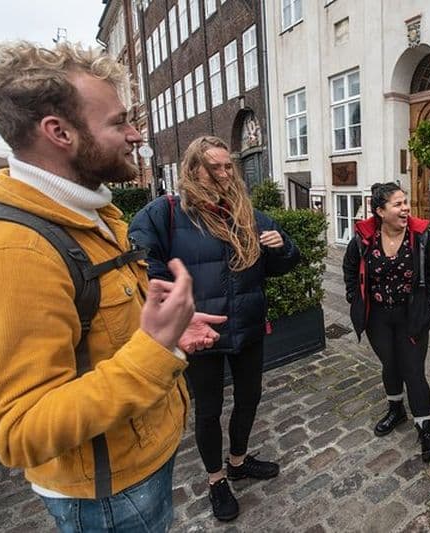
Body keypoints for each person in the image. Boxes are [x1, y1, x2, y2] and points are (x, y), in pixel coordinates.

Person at [0, 41, 222, 532]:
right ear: (59, 132)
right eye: (117, 122)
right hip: (106, 496)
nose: (135, 135)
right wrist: (156, 347)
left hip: (137, 463)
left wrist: (166, 331)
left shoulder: (89, 212)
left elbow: (93, 339)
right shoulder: (13, 250)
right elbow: (18, 430)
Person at [129, 136, 300, 522]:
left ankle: (238, 461)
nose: (224, 174)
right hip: (200, 333)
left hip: (248, 325)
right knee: (208, 410)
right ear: (193, 169)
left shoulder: (245, 213)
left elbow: (281, 265)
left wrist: (282, 245)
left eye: (228, 167)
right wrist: (177, 311)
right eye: (215, 167)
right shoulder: (167, 212)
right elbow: (141, 262)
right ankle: (216, 479)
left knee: (249, 397)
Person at [342, 182, 430, 462]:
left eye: (406, 203)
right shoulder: (363, 238)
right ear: (380, 210)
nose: (405, 209)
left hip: (411, 316)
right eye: (398, 204)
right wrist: (354, 295)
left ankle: (426, 431)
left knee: (413, 370)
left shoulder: (423, 237)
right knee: (390, 364)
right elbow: (350, 267)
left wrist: (428, 303)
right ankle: (396, 410)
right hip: (377, 316)